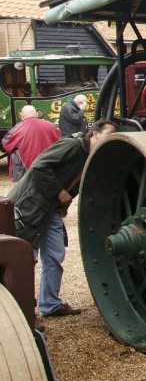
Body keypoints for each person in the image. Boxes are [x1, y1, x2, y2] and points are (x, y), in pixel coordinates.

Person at [4, 119, 117, 318]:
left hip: (50, 210)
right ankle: (23, 315)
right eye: (108, 135)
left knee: (55, 255)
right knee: (25, 258)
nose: (109, 141)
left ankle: (50, 304)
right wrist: (60, 193)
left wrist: (64, 202)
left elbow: (71, 184)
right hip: (29, 207)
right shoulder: (72, 145)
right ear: (95, 134)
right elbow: (39, 167)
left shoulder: (90, 158)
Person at [2, 105, 61, 181]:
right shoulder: (51, 126)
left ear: (22, 115)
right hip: (48, 166)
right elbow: (60, 142)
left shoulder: (18, 128)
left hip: (25, 169)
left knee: (25, 191)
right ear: (36, 114)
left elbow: (6, 144)